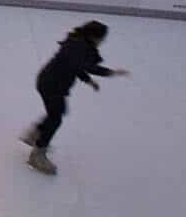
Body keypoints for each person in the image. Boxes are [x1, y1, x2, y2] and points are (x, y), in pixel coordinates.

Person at [22, 21, 128, 174]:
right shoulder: (78, 47)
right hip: (52, 86)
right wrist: (111, 73)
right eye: (102, 39)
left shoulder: (78, 42)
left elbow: (76, 67)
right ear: (94, 37)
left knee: (56, 113)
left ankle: (35, 134)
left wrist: (89, 81)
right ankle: (37, 154)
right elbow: (87, 66)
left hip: (49, 82)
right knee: (56, 117)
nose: (102, 42)